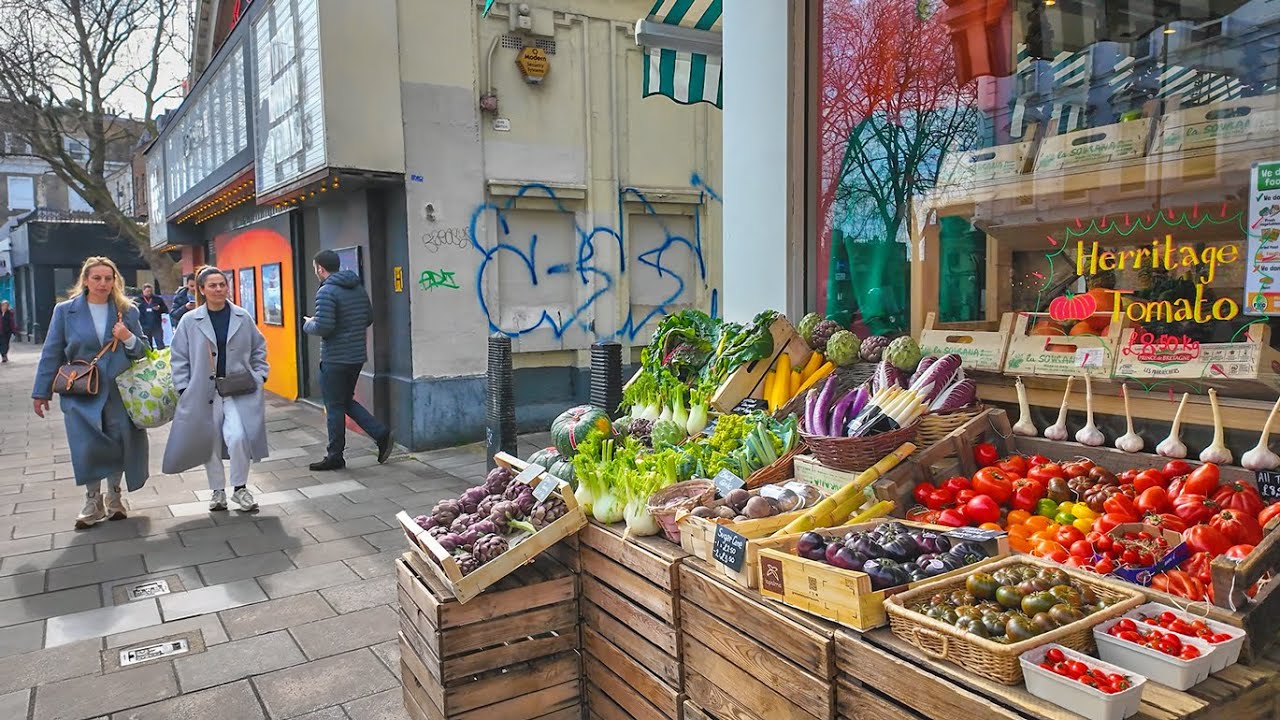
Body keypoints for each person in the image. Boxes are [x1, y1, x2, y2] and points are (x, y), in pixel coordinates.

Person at [31, 257, 149, 529]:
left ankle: (115, 497)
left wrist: (127, 337)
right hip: (81, 390)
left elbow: (142, 350)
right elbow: (52, 352)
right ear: (85, 280)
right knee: (88, 445)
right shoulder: (65, 311)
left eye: (108, 278)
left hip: (119, 391)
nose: (103, 283)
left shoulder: (127, 310)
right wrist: (41, 393)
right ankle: (92, 500)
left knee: (120, 442)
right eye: (96, 278)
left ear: (115, 281)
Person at [164, 266, 269, 512]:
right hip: (203, 391)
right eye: (212, 285)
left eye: (222, 284)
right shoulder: (190, 320)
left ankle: (240, 488)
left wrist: (260, 375)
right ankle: (217, 491)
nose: (219, 289)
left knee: (239, 436)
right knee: (208, 441)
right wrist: (183, 387)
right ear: (201, 290)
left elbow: (259, 347)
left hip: (238, 388)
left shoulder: (242, 317)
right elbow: (178, 355)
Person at [303, 249, 393, 471]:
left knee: (334, 406)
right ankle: (381, 434)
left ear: (320, 268)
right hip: (355, 357)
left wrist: (308, 323)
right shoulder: (357, 287)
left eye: (316, 267)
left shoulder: (326, 291)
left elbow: (324, 326)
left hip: (335, 358)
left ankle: (335, 456)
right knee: (344, 401)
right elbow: (368, 318)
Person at [134, 284, 170, 350]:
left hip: (156, 325)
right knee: (148, 345)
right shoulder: (138, 300)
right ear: (143, 291)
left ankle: (162, 357)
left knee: (160, 343)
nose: (149, 293)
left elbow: (166, 310)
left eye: (150, 291)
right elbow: (133, 311)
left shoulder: (157, 299)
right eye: (147, 291)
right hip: (144, 326)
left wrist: (159, 309)